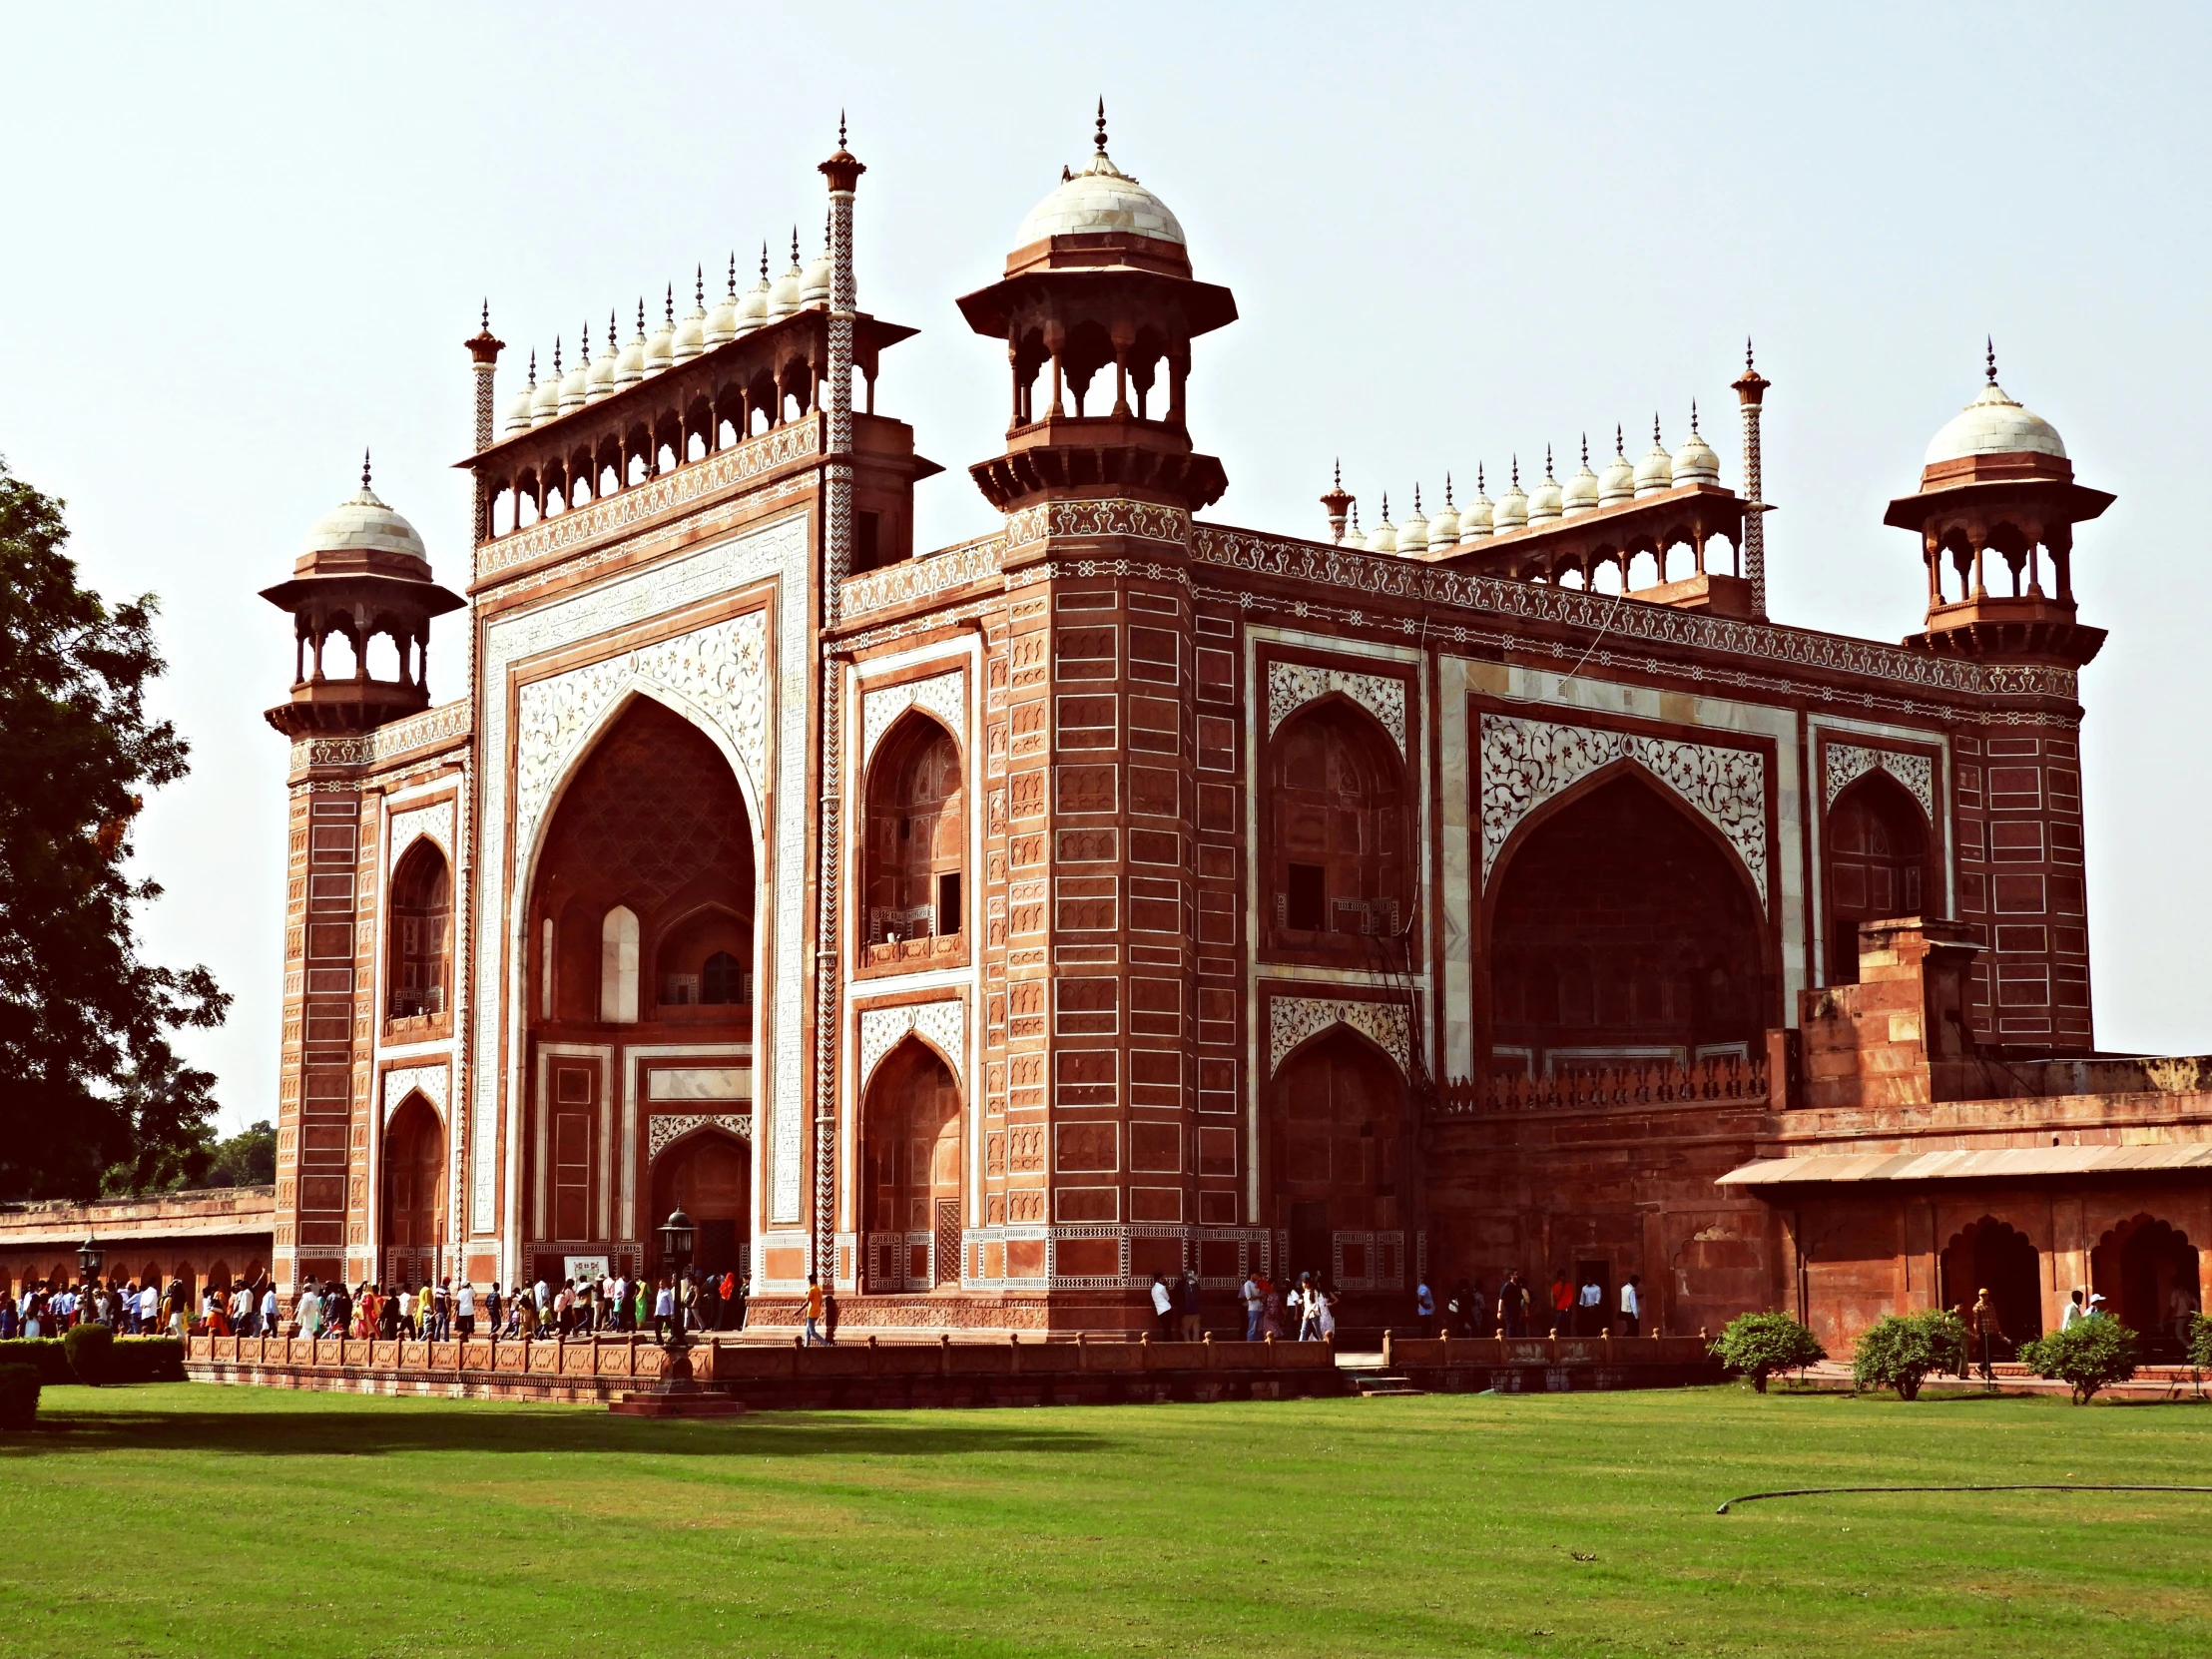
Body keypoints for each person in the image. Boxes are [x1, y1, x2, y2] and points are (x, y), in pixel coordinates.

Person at [1971, 1288, 2001, 1382]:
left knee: (1991, 1353)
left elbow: (1994, 1318)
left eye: (1985, 1295)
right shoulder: (1977, 1307)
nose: (1983, 1297)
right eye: (1981, 1295)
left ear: (1988, 1295)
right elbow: (1976, 1321)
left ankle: (1981, 1368)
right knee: (1987, 1353)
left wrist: (1999, 1330)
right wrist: (1976, 1333)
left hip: (1992, 1331)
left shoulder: (1991, 1305)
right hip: (1984, 1332)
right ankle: (1988, 1372)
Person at [1176, 1271, 1202, 1343]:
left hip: (1187, 1311)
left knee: (1185, 1331)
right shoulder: (1196, 1285)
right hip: (1196, 1310)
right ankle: (1197, 1345)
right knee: (1196, 1330)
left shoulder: (1182, 1285)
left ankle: (1189, 1346)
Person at [800, 1274, 825, 1346]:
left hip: (811, 1312)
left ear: (810, 1281)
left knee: (812, 1332)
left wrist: (798, 1311)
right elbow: (820, 1302)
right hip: (816, 1312)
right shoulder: (818, 1289)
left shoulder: (811, 1290)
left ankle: (826, 1343)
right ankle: (805, 1346)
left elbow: (807, 1302)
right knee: (807, 1331)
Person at [1548, 1271, 1573, 1339]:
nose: (1563, 1278)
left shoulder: (1569, 1285)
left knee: (1567, 1324)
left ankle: (1567, 1338)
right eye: (1561, 1276)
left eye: (1563, 1276)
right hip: (1559, 1308)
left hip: (1567, 1308)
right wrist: (1561, 1287)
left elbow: (1571, 1296)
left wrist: (1569, 1306)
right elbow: (1557, 1297)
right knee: (1558, 1324)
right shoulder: (1555, 1286)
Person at [1241, 1269, 1264, 1341]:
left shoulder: (1256, 1284)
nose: (1257, 1276)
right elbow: (1249, 1297)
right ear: (1252, 1275)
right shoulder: (1247, 1284)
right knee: (1252, 1328)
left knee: (1259, 1329)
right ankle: (1250, 1343)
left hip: (1259, 1308)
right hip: (1253, 1308)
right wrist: (1259, 1296)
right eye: (1256, 1275)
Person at [1618, 1274, 1642, 1339]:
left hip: (1625, 1311)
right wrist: (1636, 1316)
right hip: (1631, 1313)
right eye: (1637, 1282)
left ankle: (1622, 1340)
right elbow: (1633, 1304)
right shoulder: (1632, 1290)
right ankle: (1623, 1341)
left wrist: (1636, 1297)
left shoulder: (1624, 1288)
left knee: (1629, 1328)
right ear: (1634, 1282)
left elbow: (1626, 1298)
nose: (1637, 1284)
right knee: (1634, 1331)